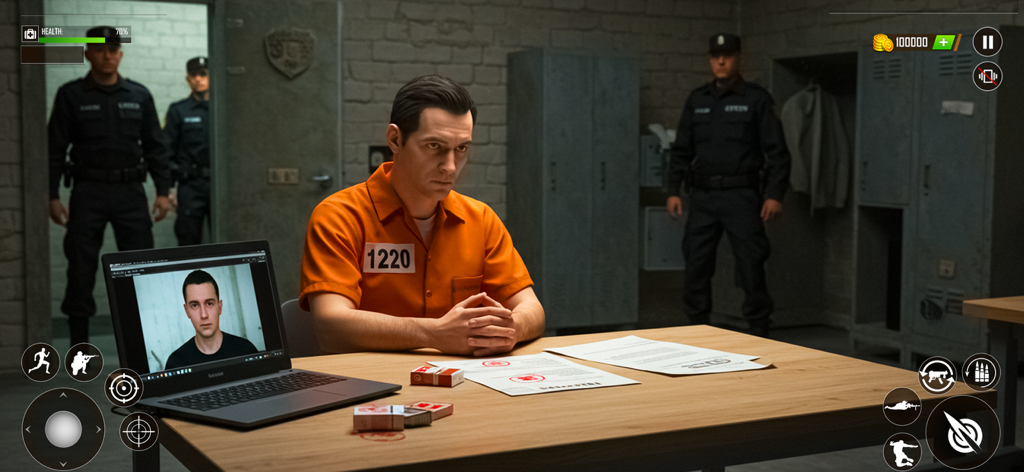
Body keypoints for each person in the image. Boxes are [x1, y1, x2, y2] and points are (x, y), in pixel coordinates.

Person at [300, 75, 545, 356]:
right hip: (371, 382)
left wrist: (509, 329)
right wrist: (434, 334)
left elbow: (532, 309)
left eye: (461, 148)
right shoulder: (339, 216)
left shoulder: (481, 219)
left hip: (460, 378)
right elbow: (331, 325)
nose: (450, 167)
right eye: (434, 147)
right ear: (395, 139)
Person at [48, 26, 173, 346]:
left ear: (120, 53)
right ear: (88, 53)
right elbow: (53, 149)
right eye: (101, 49)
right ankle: (80, 348)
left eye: (114, 49)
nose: (108, 55)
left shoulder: (138, 95)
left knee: (141, 267)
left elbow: (156, 147)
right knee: (80, 267)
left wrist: (162, 192)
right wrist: (50, 195)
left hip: (130, 192)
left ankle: (145, 344)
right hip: (87, 191)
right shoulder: (71, 95)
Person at [666, 33, 791, 338]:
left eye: (728, 55)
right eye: (715, 56)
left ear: (738, 58)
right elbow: (681, 149)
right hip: (704, 198)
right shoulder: (698, 101)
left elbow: (777, 152)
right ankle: (696, 332)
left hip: (742, 197)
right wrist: (672, 190)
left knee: (751, 265)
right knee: (696, 265)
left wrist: (774, 194)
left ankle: (760, 331)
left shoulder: (756, 99)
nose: (720, 61)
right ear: (710, 59)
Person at [165, 270, 258, 369]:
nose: (204, 315)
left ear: (220, 307)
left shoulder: (246, 350)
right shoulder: (175, 362)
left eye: (209, 303)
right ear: (187, 311)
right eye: (195, 305)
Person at [164, 56, 211, 246]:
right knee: (188, 240)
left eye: (203, 74)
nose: (198, 79)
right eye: (193, 75)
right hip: (191, 186)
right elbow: (166, 151)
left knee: (228, 236)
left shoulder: (225, 109)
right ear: (187, 79)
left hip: (220, 186)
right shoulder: (178, 111)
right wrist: (168, 189)